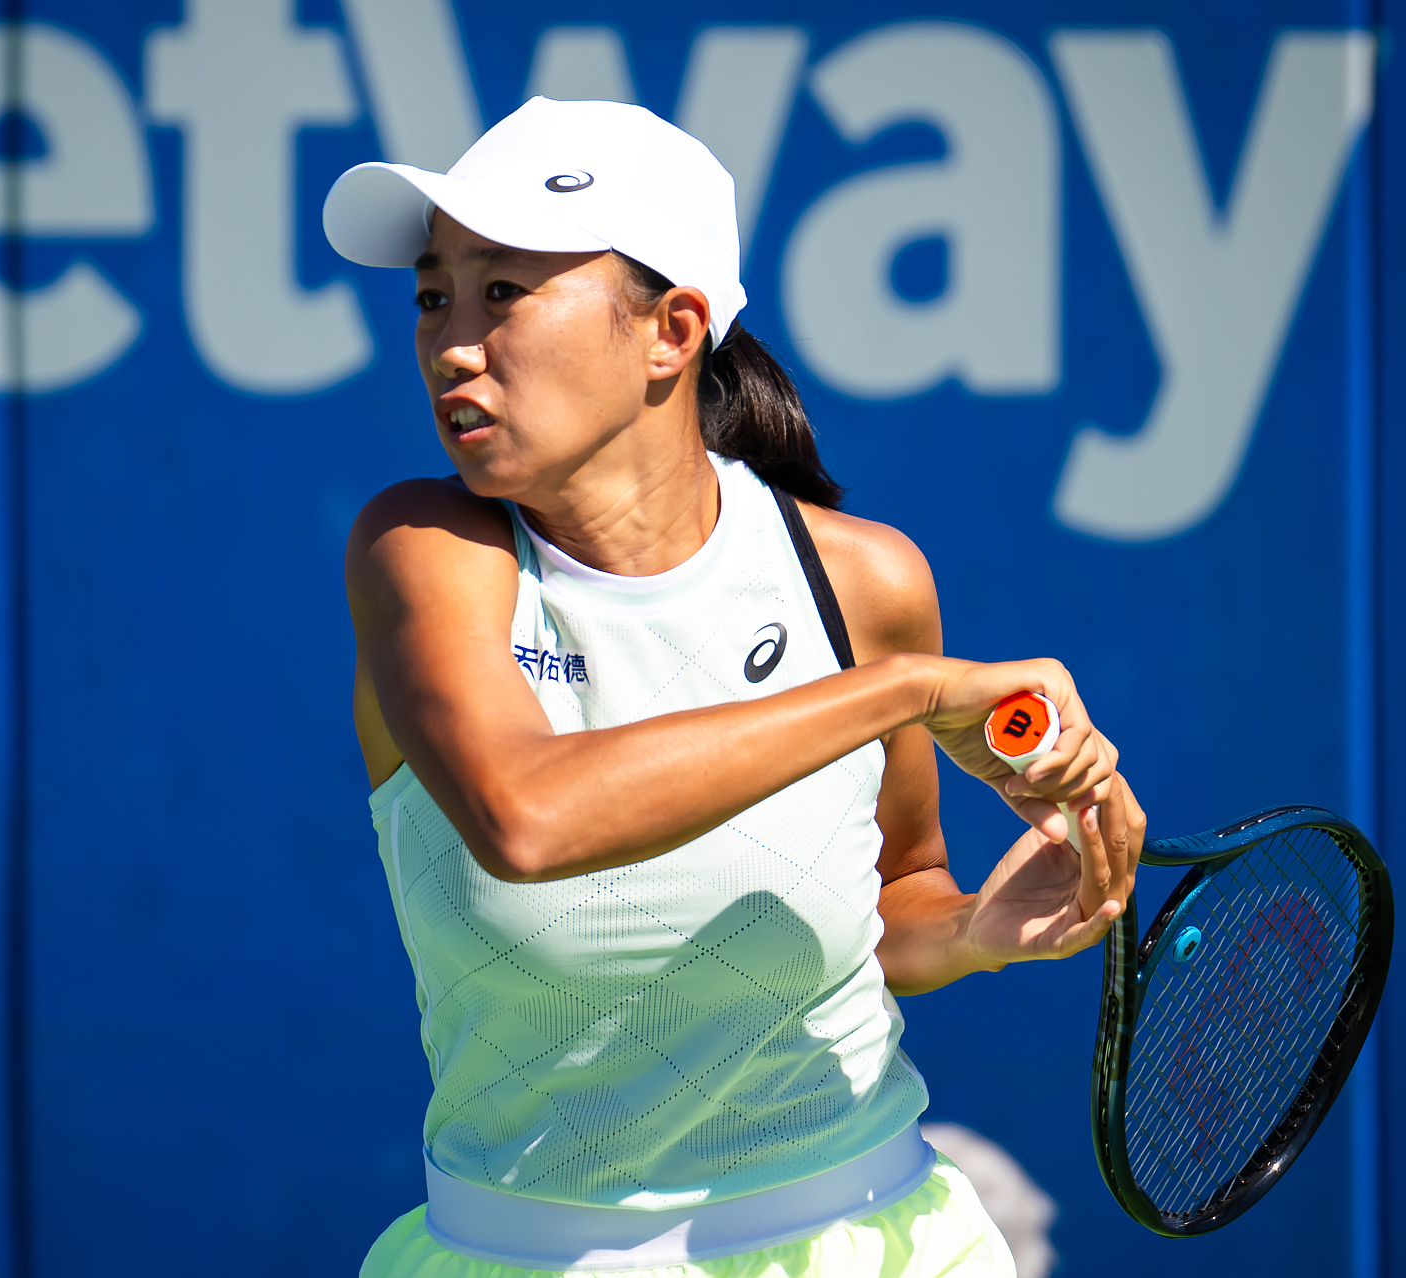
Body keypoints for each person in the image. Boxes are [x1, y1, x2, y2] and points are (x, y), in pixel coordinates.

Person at [326, 98, 1145, 1278]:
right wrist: (901, 691)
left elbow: (892, 896)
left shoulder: (860, 580)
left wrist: (970, 930)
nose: (452, 343)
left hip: (877, 1245)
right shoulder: (419, 549)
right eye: (431, 294)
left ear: (670, 330)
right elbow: (527, 815)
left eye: (503, 292)